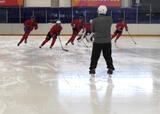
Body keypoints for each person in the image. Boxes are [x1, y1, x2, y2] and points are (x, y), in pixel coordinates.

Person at [89, 5, 115, 76]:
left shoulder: (94, 20)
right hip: (107, 42)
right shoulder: (110, 19)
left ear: (98, 11)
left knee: (95, 56)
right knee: (108, 56)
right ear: (105, 11)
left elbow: (92, 30)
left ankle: (92, 69)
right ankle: (110, 68)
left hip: (97, 41)